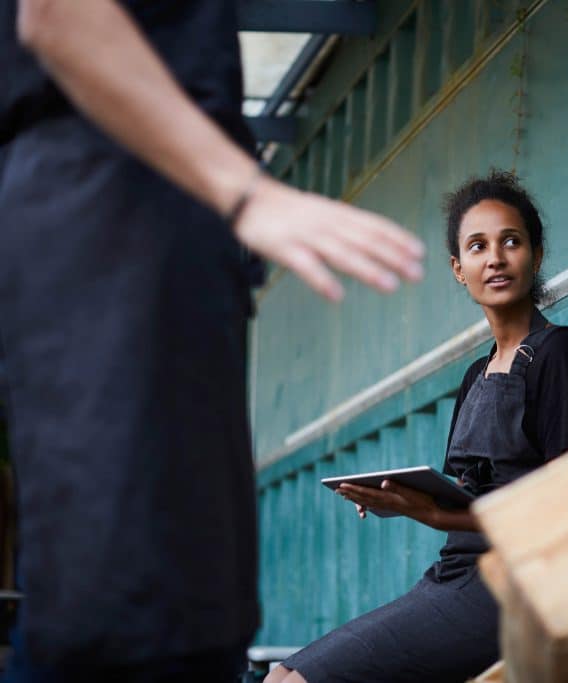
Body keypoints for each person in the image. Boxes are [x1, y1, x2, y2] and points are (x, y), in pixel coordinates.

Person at [0, 1, 424, 680]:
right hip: (112, 207)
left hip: (156, 218)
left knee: (195, 613)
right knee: (127, 615)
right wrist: (247, 193)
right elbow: (58, 14)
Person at [267, 171, 568, 683]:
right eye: (478, 246)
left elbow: (567, 513)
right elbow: (473, 492)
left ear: (536, 256)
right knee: (279, 675)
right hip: (454, 576)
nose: (495, 257)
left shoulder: (560, 355)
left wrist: (438, 515)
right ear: (459, 268)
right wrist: (402, 495)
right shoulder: (477, 375)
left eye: (511, 242)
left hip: (521, 589)